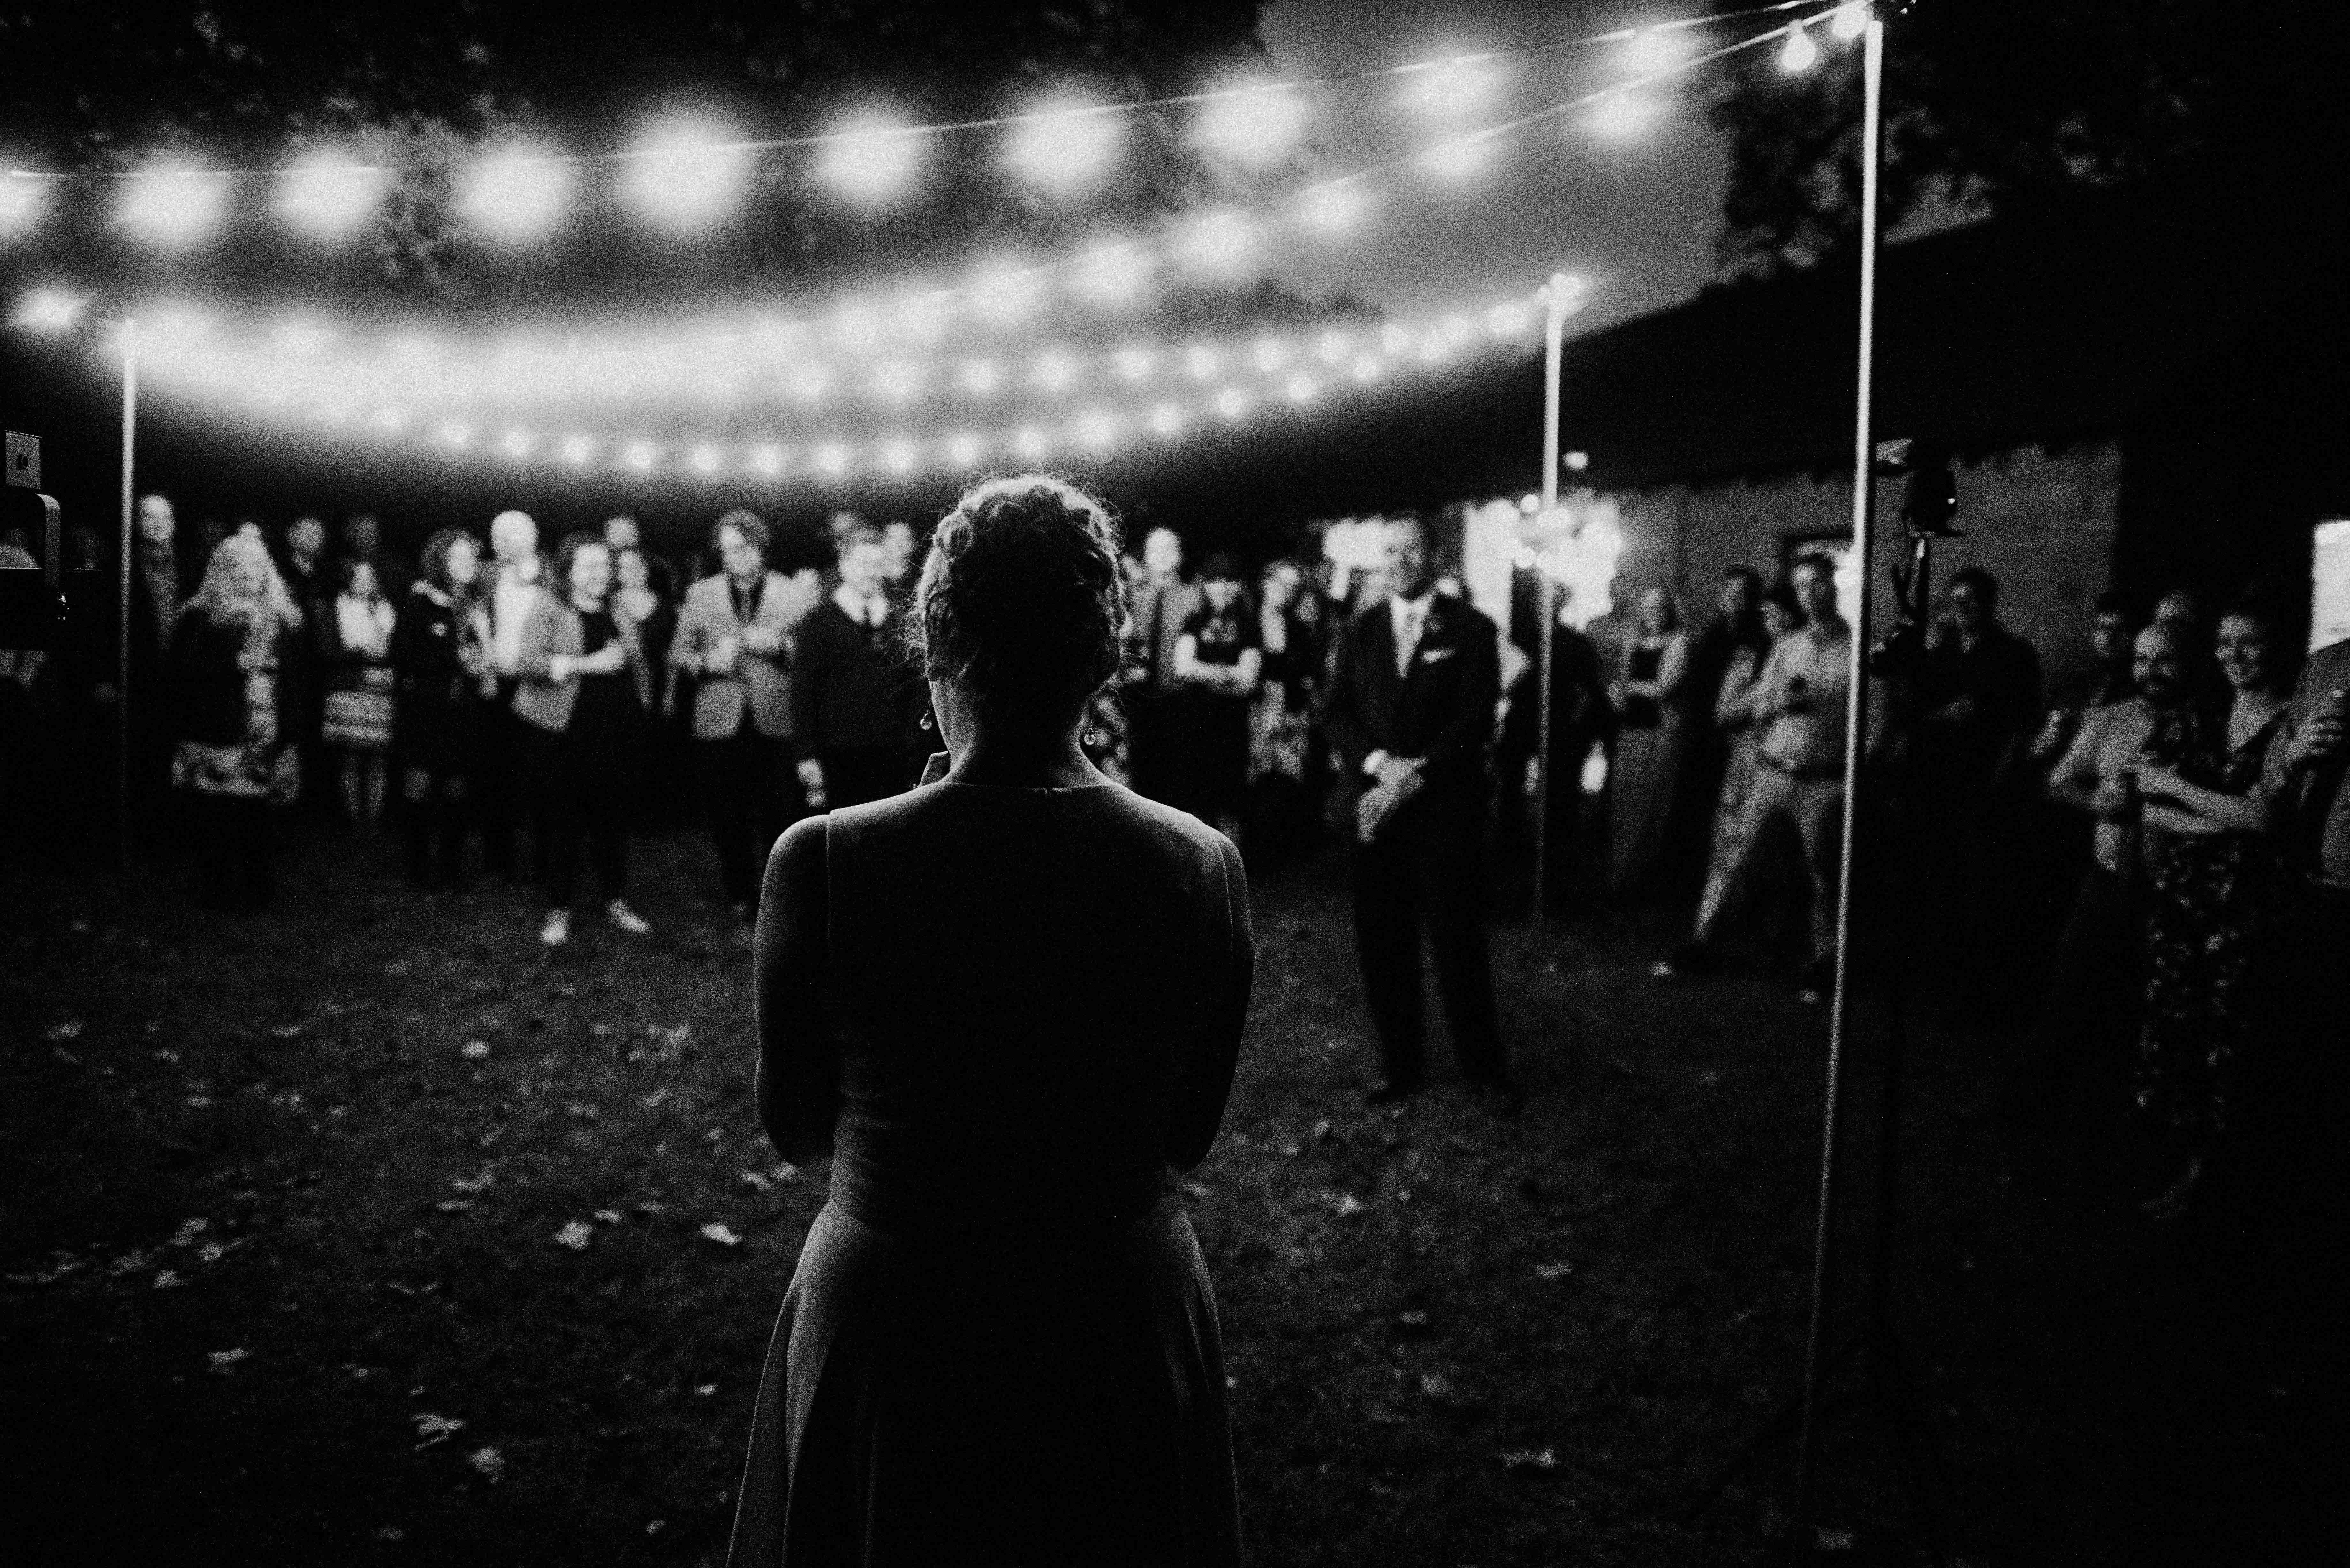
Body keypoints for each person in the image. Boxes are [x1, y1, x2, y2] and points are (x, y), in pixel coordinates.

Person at [727, 473, 1250, 1568]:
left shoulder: (823, 861)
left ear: (935, 640)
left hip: (898, 1317)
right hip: (1118, 1312)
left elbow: (798, 1128)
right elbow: (1187, 1135)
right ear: (1104, 655)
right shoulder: (1202, 863)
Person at [1320, 516, 1515, 1113]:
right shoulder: (1360, 630)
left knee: (1458, 939)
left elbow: (1476, 718)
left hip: (1444, 809)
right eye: (1391, 550)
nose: (1401, 559)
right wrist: (1380, 765)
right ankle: (1401, 1064)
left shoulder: (1473, 628)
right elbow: (1337, 712)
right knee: (1383, 941)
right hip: (1375, 810)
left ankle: (1484, 1067)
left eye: (1411, 549)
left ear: (1432, 555)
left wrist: (1416, 775)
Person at [2127, 602, 2295, 1217]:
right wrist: (2226, 816)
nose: (2234, 655)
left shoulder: (2290, 724)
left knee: (2230, 1046)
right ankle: (2180, 1171)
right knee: (2178, 1034)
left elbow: (2268, 816)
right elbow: (2147, 804)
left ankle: (2215, 1184)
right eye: (2226, 643)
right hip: (2183, 902)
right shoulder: (2202, 715)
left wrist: (2178, 788)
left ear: (2276, 647)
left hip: (2244, 911)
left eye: (2250, 642)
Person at [1656, 552, 1853, 1001]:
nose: (1811, 594)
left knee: (1825, 872)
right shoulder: (1789, 646)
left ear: (1833, 585)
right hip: (1773, 768)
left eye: (1818, 583)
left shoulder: (1857, 649)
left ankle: (1826, 963)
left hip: (1824, 777)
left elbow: (1874, 714)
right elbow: (1758, 700)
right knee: (1735, 857)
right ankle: (1703, 943)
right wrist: (1770, 703)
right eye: (1802, 586)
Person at [2024, 622, 2199, 1102]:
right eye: (2142, 660)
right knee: (2070, 991)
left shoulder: (2212, 726)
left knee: (2149, 1007)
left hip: (2174, 892)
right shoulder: (2110, 721)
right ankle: (2036, 1102)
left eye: (2164, 660)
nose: (2150, 671)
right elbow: (2060, 782)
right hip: (2107, 881)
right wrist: (2096, 802)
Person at [672, 511, 815, 932]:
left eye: (743, 548)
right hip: (719, 723)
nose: (734, 557)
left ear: (761, 548)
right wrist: (706, 663)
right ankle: (739, 895)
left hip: (776, 721)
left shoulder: (795, 594)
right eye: (726, 551)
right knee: (727, 815)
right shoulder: (701, 593)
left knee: (779, 814)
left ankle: (777, 895)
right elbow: (677, 653)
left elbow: (813, 656)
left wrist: (781, 648)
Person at [514, 532, 656, 947]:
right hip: (564, 737)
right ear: (568, 571)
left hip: (616, 736)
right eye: (589, 565)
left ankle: (616, 902)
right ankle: (559, 910)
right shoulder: (549, 606)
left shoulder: (617, 609)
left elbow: (637, 664)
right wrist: (585, 664)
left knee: (613, 823)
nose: (600, 573)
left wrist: (643, 706)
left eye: (604, 565)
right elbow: (527, 662)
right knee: (564, 826)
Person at [168, 534, 299, 909]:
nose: (247, 573)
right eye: (237, 566)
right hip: (215, 731)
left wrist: (292, 734)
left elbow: (295, 680)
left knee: (256, 814)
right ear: (221, 571)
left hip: (263, 731)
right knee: (216, 816)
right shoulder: (199, 616)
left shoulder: (283, 616)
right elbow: (179, 674)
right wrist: (230, 666)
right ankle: (216, 890)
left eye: (255, 565)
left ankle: (258, 890)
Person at [1494, 584, 1614, 919]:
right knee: (1512, 800)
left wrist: (1578, 727)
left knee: (1558, 806)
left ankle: (1553, 883)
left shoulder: (1575, 642)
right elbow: (1503, 680)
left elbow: (1591, 690)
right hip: (1523, 726)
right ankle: (1513, 877)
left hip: (1559, 731)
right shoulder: (1520, 639)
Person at [793, 523, 928, 811]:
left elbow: (915, 687)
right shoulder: (817, 622)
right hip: (838, 754)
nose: (871, 572)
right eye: (863, 563)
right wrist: (807, 755)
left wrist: (914, 745)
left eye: (877, 564)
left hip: (894, 754)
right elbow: (804, 693)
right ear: (844, 566)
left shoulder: (900, 617)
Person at [392, 528, 492, 888]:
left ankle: (451, 868)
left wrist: (483, 663)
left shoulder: (477, 607)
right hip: (424, 711)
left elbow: (484, 655)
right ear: (440, 561)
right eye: (458, 556)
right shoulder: (419, 602)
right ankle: (418, 869)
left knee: (457, 789)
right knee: (418, 788)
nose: (468, 563)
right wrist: (453, 659)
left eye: (471, 556)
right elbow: (401, 655)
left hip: (465, 712)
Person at [1170, 553, 1262, 834]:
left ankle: (1230, 860)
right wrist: (1227, 672)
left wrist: (1204, 671)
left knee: (1231, 801)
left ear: (1239, 586)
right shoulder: (1194, 622)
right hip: (1195, 721)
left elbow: (1249, 679)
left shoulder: (1249, 625)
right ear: (1206, 586)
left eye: (1229, 580)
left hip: (1233, 724)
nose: (1222, 587)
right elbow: (1181, 668)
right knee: (1196, 801)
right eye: (1215, 580)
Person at [1606, 586, 1690, 897]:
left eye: (1659, 606)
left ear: (1669, 609)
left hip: (1660, 733)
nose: (1653, 611)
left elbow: (1665, 687)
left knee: (1650, 803)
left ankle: (1639, 878)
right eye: (1648, 606)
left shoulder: (1679, 642)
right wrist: (1621, 692)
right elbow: (1623, 683)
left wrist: (1629, 688)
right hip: (1631, 729)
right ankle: (1620, 874)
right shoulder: (1634, 642)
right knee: (1624, 800)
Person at [479, 509, 546, 882]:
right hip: (499, 687)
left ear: (524, 539)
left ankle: (544, 862)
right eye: (493, 537)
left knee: (540, 775)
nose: (494, 544)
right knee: (496, 775)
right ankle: (498, 862)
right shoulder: (488, 575)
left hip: (541, 685)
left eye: (500, 537)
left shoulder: (551, 576)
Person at [125, 492, 192, 848]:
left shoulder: (191, 567)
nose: (158, 523)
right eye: (149, 516)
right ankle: (145, 836)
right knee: (144, 756)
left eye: (165, 516)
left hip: (182, 678)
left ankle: (175, 836)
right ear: (136, 522)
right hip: (139, 677)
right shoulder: (124, 565)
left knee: (178, 756)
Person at [1122, 526, 1202, 806]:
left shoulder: (1195, 597)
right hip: (1138, 699)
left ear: (1180, 555)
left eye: (1169, 548)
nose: (1162, 555)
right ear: (1145, 556)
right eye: (1155, 549)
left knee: (1180, 780)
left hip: (1182, 699)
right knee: (1141, 779)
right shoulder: (1131, 596)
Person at [1246, 559, 1321, 860]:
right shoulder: (1247, 619)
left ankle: (1282, 851)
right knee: (1254, 779)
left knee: (1286, 781)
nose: (1285, 591)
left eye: (1293, 587)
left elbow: (1308, 674)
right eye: (1280, 583)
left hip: (1290, 713)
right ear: (1266, 582)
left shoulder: (1299, 628)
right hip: (1254, 712)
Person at [320, 558, 398, 835]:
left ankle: (373, 821)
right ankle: (354, 821)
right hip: (350, 688)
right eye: (359, 576)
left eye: (369, 576)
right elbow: (338, 647)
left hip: (380, 689)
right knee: (350, 758)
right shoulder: (339, 606)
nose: (365, 582)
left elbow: (390, 646)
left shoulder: (386, 609)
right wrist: (360, 652)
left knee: (378, 759)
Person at [613, 542, 682, 828]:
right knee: (624, 756)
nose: (631, 573)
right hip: (621, 691)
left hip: (660, 687)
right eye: (623, 567)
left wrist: (671, 693)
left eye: (636, 566)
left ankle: (657, 819)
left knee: (658, 753)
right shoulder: (609, 606)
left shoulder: (666, 607)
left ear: (646, 570)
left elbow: (674, 654)